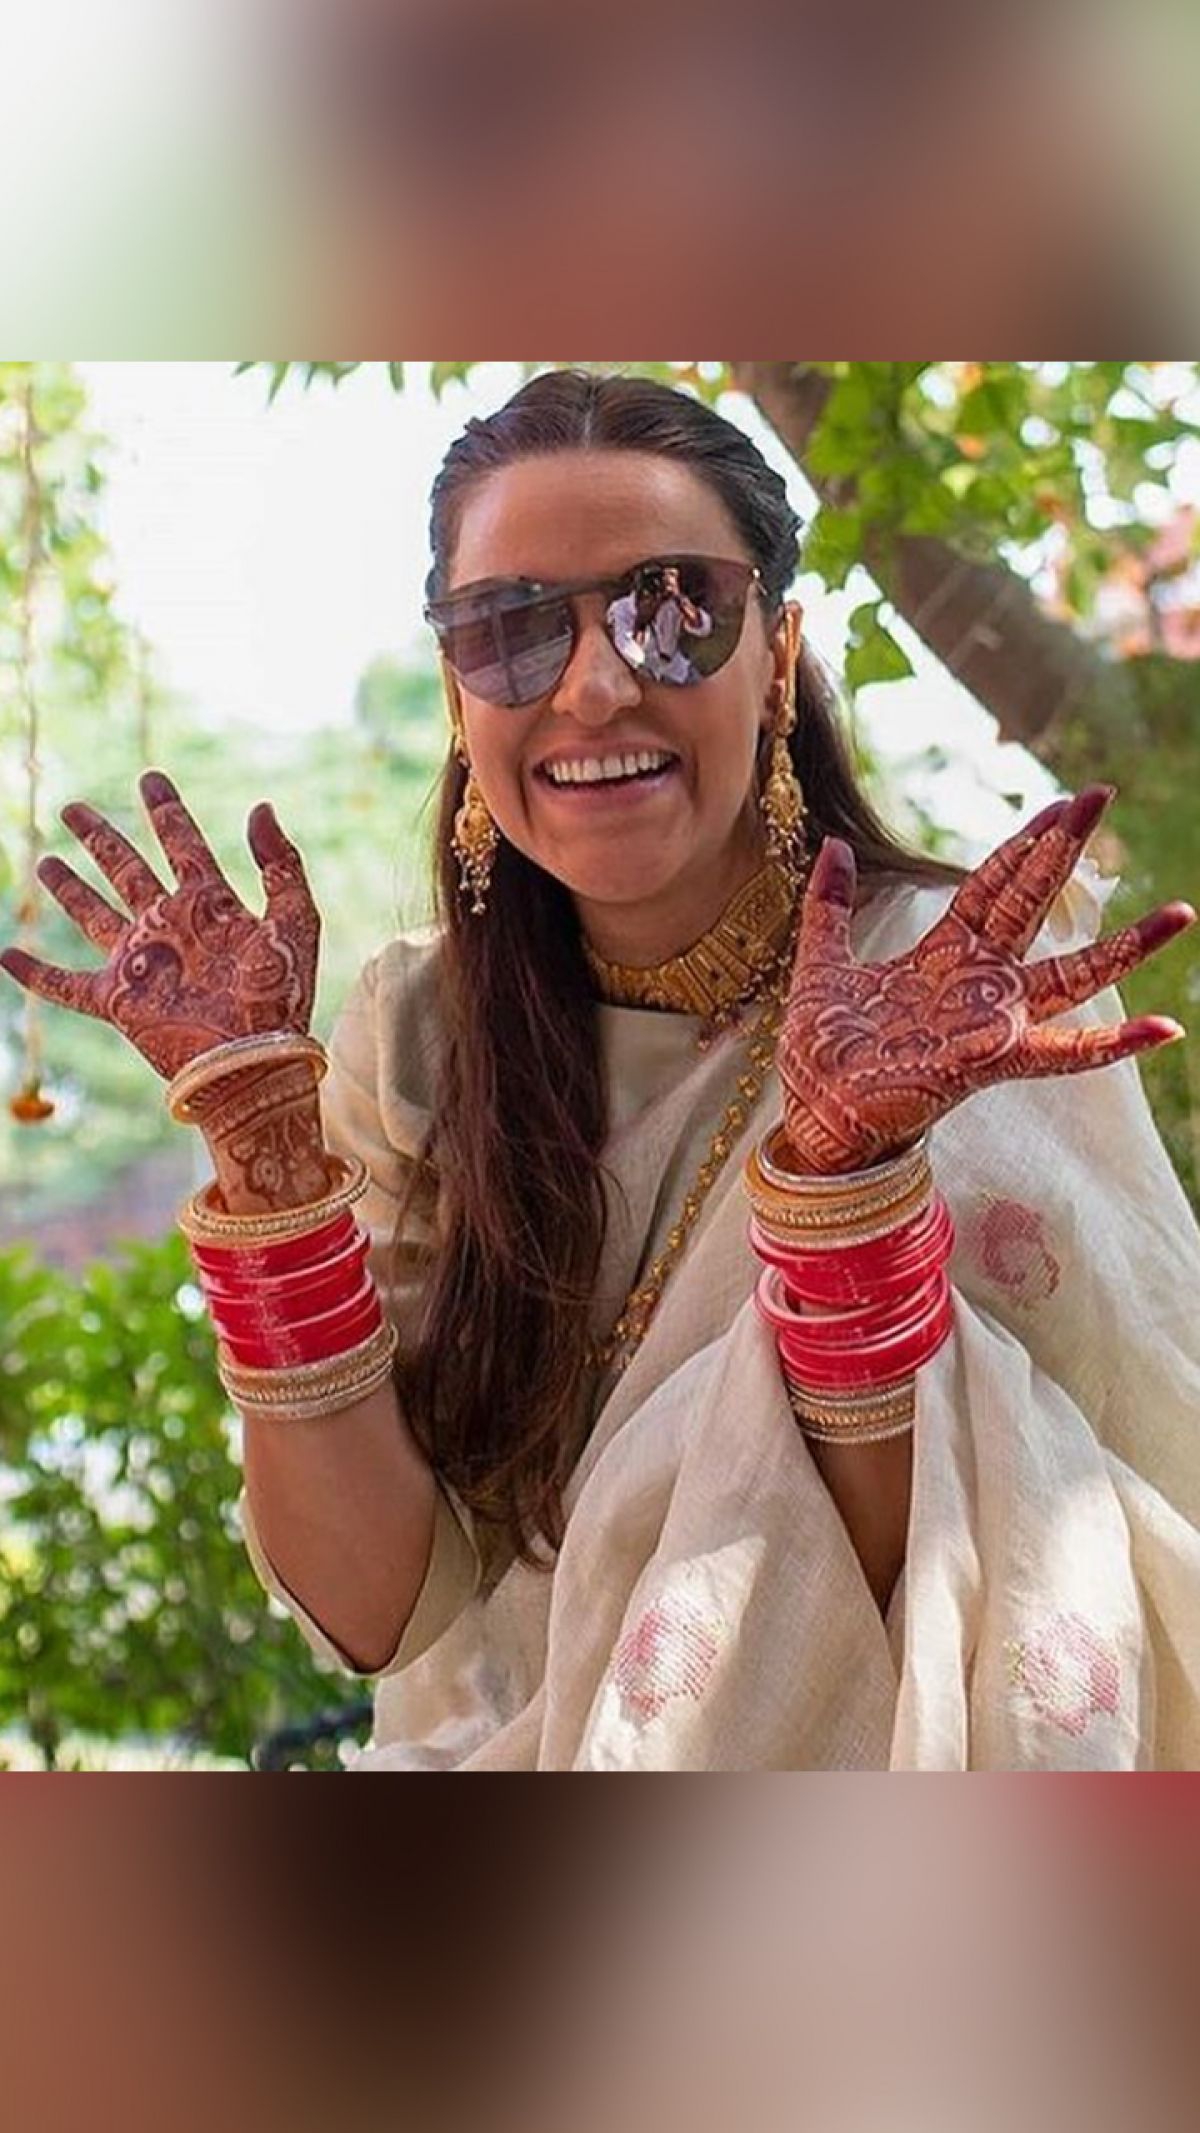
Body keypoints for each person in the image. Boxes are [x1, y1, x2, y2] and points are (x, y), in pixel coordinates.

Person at [4, 370, 1199, 1771]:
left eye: (673, 607)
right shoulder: (417, 1038)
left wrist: (845, 1188)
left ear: (777, 652)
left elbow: (952, 1575)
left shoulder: (943, 984)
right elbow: (380, 1607)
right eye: (510, 631)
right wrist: (261, 1147)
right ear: (459, 688)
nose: (591, 682)